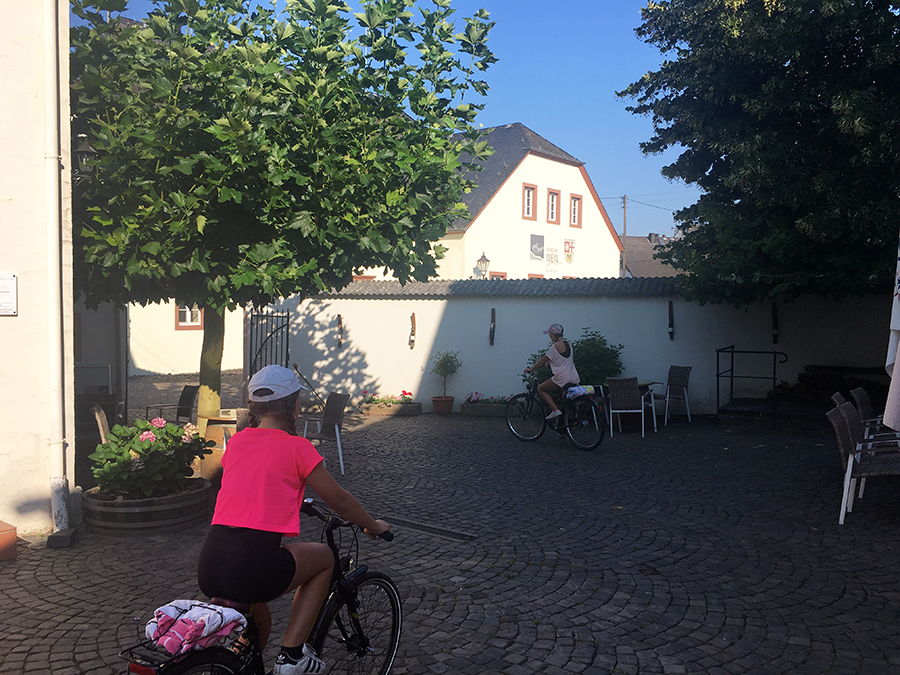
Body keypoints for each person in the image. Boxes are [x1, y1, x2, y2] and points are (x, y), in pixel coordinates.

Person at [197, 365, 390, 675]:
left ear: (254, 408)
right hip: (254, 567)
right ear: (295, 405)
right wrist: (372, 524)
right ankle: (292, 656)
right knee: (326, 558)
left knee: (261, 622)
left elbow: (252, 486)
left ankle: (232, 668)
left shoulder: (238, 443)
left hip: (210, 566)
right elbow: (339, 500)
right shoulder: (298, 448)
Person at [523, 323, 580, 420]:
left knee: (541, 389)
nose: (549, 336)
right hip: (574, 376)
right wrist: (548, 364)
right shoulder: (569, 344)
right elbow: (561, 359)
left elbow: (542, 360)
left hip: (562, 378)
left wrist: (531, 369)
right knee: (566, 403)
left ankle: (555, 411)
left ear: (554, 334)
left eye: (550, 334)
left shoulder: (555, 347)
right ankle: (566, 428)